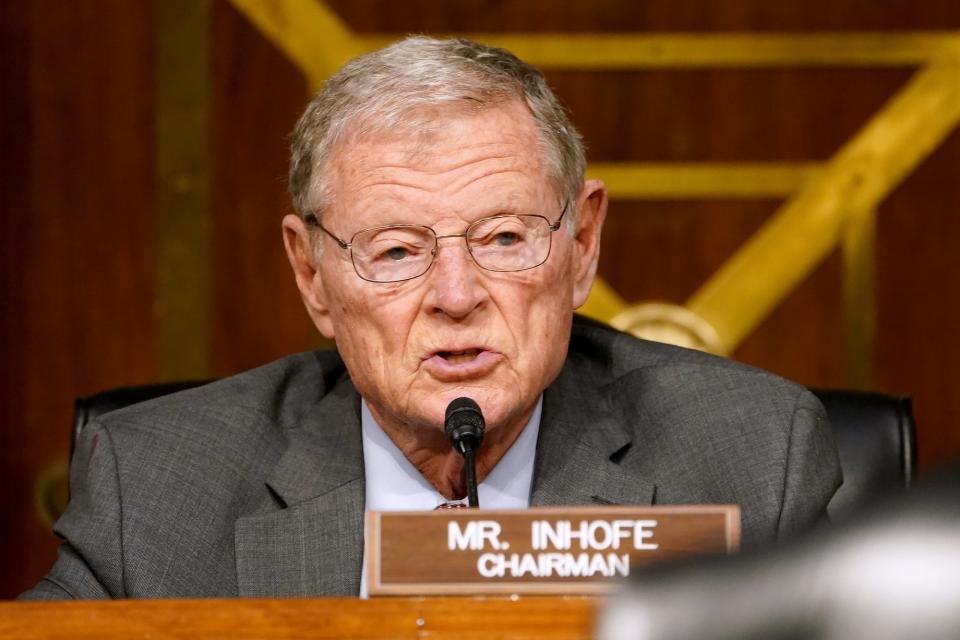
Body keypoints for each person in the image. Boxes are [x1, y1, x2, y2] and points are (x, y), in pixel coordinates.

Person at [22, 36, 840, 599]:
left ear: (582, 245)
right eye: (396, 251)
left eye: (505, 237)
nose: (456, 294)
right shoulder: (162, 487)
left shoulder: (748, 457)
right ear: (312, 273)